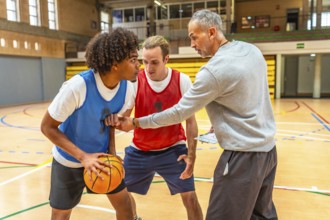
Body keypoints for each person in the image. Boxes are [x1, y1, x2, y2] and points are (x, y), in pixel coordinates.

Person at [115, 9, 278, 220]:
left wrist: (136, 122)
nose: (191, 44)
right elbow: (250, 95)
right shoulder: (252, 51)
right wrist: (223, 121)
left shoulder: (212, 71)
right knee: (261, 216)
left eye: (194, 37)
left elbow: (179, 112)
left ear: (211, 32)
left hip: (242, 156)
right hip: (268, 152)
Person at [40, 28, 140, 220]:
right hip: (68, 160)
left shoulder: (128, 87)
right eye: (133, 60)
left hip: (102, 159)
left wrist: (112, 152)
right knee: (60, 215)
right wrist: (83, 157)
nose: (138, 65)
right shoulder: (78, 87)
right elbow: (47, 127)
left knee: (126, 206)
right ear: (115, 64)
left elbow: (109, 123)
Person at [106, 35, 203, 220]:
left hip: (173, 149)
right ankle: (133, 217)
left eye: (154, 63)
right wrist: (117, 122)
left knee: (190, 197)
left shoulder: (182, 80)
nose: (148, 68)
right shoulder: (134, 81)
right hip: (140, 149)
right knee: (120, 194)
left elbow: (191, 121)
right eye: (145, 62)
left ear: (166, 59)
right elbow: (124, 117)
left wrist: (192, 154)